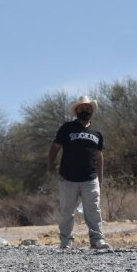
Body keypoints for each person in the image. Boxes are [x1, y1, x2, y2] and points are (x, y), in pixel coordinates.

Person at [48, 96, 110, 250]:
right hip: (68, 178)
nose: (85, 110)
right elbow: (55, 147)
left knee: (94, 210)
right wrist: (50, 164)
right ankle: (66, 241)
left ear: (92, 111)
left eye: (88, 108)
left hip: (90, 179)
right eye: (81, 108)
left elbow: (99, 155)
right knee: (67, 211)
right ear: (76, 111)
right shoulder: (67, 128)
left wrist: (100, 177)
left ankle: (97, 240)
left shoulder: (97, 133)